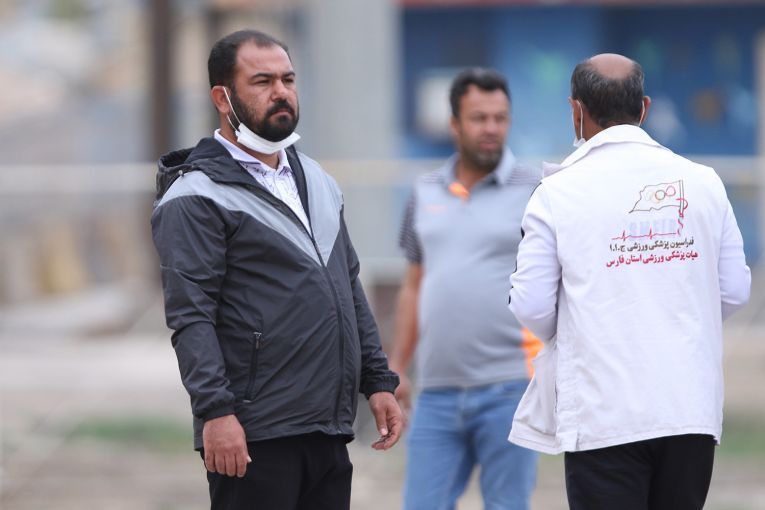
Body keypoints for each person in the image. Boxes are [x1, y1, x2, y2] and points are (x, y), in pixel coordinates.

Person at [150, 29, 403, 510]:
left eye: (288, 79)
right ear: (222, 98)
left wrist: (377, 381)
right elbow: (191, 316)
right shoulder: (196, 196)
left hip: (326, 428)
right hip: (254, 432)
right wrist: (215, 413)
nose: (281, 92)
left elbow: (347, 287)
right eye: (262, 81)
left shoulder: (318, 180)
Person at [508, 53, 752, 510]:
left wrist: (582, 328)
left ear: (576, 110)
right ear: (644, 108)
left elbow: (531, 304)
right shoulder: (704, 183)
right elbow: (735, 290)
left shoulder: (556, 193)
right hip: (689, 410)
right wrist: (681, 318)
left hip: (604, 414)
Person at [389, 68, 540, 510]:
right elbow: (413, 286)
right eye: (479, 118)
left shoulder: (536, 190)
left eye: (500, 118)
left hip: (511, 388)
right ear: (454, 124)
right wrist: (397, 366)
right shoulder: (423, 191)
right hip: (436, 391)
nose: (491, 128)